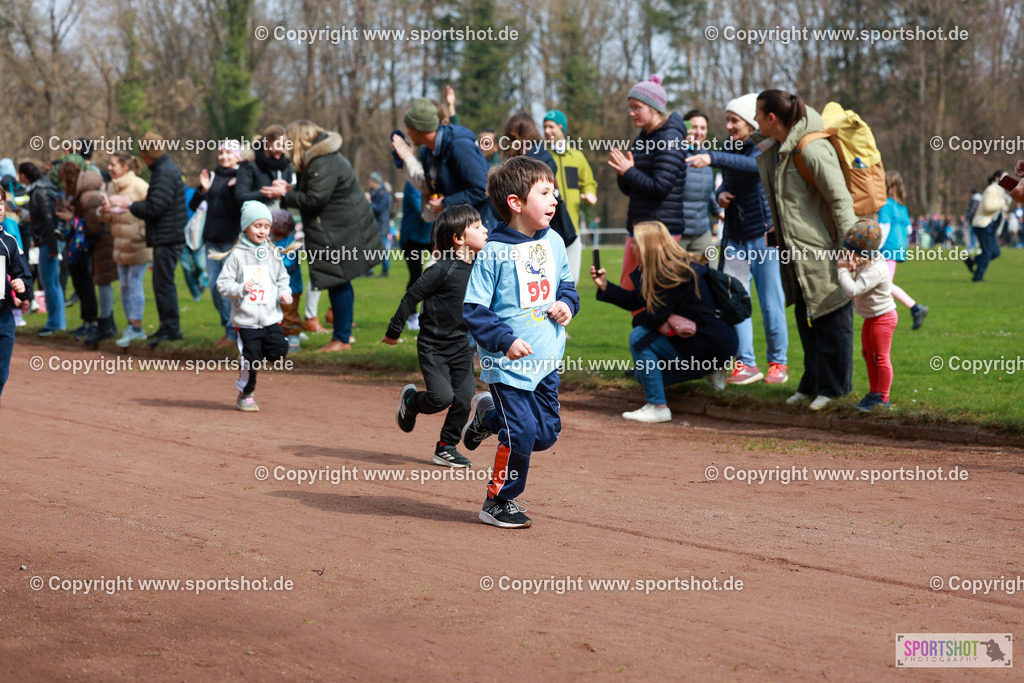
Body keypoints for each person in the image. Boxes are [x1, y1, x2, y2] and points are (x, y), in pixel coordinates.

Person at [460, 156, 580, 529]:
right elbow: (474, 309)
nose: (554, 199)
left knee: (544, 436)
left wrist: (567, 304)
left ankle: (487, 416)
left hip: (546, 361)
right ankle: (498, 501)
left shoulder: (555, 240)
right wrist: (505, 340)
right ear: (516, 203)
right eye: (544, 193)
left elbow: (566, 284)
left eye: (553, 192)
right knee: (521, 434)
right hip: (508, 364)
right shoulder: (493, 252)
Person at [754, 89, 857, 411]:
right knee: (807, 317)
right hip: (796, 255)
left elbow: (840, 199)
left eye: (758, 114)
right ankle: (812, 383)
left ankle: (834, 390)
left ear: (772, 118)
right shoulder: (779, 149)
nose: (754, 120)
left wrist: (850, 247)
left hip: (824, 252)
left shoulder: (812, 148)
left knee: (832, 317)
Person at [687, 94, 788, 386]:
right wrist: (721, 195)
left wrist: (712, 158)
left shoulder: (765, 146)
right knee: (736, 301)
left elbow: (752, 166)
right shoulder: (729, 148)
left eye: (735, 121)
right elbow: (729, 181)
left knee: (771, 302)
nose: (729, 126)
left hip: (764, 237)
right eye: (727, 120)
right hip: (736, 238)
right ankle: (746, 364)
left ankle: (778, 363)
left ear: (749, 122)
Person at [592, 221, 737, 422]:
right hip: (714, 340)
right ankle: (709, 369)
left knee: (639, 337)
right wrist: (605, 286)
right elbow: (637, 301)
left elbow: (652, 319)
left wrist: (656, 319)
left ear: (647, 246)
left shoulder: (671, 273)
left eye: (635, 242)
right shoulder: (670, 267)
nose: (631, 246)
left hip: (710, 341)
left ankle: (658, 407)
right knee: (642, 375)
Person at [385, 205, 488, 468]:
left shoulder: (480, 268)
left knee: (464, 398)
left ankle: (446, 447)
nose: (485, 230)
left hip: (460, 346)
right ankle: (411, 401)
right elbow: (411, 297)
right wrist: (394, 330)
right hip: (433, 346)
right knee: (441, 398)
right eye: (477, 226)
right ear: (459, 238)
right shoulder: (441, 269)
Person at [275, 120, 381, 352]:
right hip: (339, 228)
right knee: (340, 281)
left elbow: (315, 200)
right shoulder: (324, 159)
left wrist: (284, 194)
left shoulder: (322, 162)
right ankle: (344, 335)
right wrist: (291, 191)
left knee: (338, 282)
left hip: (338, 231)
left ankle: (341, 339)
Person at [107, 132, 188, 347]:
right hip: (167, 235)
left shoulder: (163, 173)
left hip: (167, 237)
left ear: (147, 155)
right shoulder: (165, 169)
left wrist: (129, 204)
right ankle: (167, 327)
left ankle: (171, 329)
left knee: (164, 285)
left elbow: (155, 208)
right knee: (162, 284)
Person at [609, 75, 688, 287]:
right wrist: (624, 173)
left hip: (661, 231)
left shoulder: (670, 138)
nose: (631, 113)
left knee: (655, 294)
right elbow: (631, 189)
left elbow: (661, 187)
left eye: (637, 107)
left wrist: (629, 171)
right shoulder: (642, 138)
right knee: (629, 289)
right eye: (630, 107)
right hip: (639, 227)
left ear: (654, 108)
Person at [214, 201, 291, 412]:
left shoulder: (273, 253)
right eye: (257, 226)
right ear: (246, 227)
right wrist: (240, 288)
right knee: (251, 360)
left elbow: (283, 278)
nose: (262, 231)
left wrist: (284, 293)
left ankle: (256, 353)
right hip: (246, 321)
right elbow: (223, 284)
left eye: (266, 226)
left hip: (270, 317)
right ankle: (246, 394)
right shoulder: (236, 255)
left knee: (279, 351)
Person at [391, 97, 493, 227]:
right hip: (457, 225)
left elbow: (481, 189)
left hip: (480, 227)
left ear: (418, 129)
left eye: (409, 128)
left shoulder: (459, 145)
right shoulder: (428, 152)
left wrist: (445, 204)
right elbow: (430, 188)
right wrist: (406, 159)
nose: (408, 133)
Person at [837, 220, 897, 412]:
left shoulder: (876, 269)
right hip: (871, 317)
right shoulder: (867, 262)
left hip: (883, 318)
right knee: (868, 355)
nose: (847, 254)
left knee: (881, 357)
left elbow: (853, 290)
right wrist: (852, 266)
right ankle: (874, 393)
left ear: (862, 253)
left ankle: (883, 398)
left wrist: (842, 270)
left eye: (850, 251)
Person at [191, 141, 242, 349]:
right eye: (221, 152)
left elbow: (236, 210)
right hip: (211, 240)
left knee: (228, 289)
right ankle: (228, 327)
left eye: (229, 152)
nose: (224, 156)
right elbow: (193, 205)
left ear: (237, 156)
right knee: (214, 288)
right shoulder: (212, 176)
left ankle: (234, 333)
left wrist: (232, 190)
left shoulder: (241, 177)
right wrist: (203, 190)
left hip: (231, 241)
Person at [101, 151, 152, 347]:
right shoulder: (111, 187)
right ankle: (131, 325)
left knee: (134, 283)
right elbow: (109, 218)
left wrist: (142, 234)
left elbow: (151, 212)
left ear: (125, 167)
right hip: (120, 245)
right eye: (109, 164)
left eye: (113, 164)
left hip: (137, 245)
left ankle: (137, 328)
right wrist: (103, 212)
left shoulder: (140, 186)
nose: (109, 168)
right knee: (123, 285)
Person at [543, 109, 598, 282]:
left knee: (572, 279)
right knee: (549, 280)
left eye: (551, 126)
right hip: (548, 229)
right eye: (544, 127)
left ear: (561, 127)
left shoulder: (577, 157)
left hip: (572, 228)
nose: (547, 131)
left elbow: (588, 182)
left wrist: (590, 194)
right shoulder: (542, 157)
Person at [74, 170, 119, 349]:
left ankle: (106, 323)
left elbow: (93, 228)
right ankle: (108, 323)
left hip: (102, 245)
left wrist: (80, 229)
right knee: (103, 282)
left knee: (103, 281)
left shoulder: (88, 197)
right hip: (105, 243)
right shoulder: (95, 194)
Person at [877, 171, 928, 329]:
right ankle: (912, 309)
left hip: (886, 248)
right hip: (898, 248)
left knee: (884, 284)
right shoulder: (902, 207)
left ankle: (915, 308)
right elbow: (908, 229)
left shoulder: (886, 205)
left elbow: (884, 227)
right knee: (883, 284)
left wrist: (874, 248)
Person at [18, 162, 64, 335]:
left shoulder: (39, 192)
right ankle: (58, 323)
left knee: (49, 282)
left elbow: (49, 220)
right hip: (47, 241)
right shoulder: (40, 189)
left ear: (24, 175)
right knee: (53, 282)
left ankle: (54, 323)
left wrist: (52, 247)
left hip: (47, 241)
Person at [0, 185, 33, 407]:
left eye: (1, 203)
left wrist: (22, 285)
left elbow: (25, 276)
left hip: (3, 319)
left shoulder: (9, 242)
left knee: (1, 374)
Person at [680, 109, 722, 251]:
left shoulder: (707, 157)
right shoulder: (674, 153)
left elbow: (708, 191)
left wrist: (718, 212)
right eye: (694, 127)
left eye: (703, 128)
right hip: (677, 232)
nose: (699, 132)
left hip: (702, 231)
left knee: (712, 265)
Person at [398, 181, 433, 331]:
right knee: (415, 277)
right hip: (411, 237)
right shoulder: (412, 184)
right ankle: (412, 315)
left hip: (430, 235)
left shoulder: (434, 181)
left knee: (447, 272)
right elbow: (420, 208)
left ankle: (437, 313)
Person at [965, 170, 1011, 282]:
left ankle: (971, 260)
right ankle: (978, 277)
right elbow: (988, 206)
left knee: (995, 252)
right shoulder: (991, 190)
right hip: (982, 224)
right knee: (987, 252)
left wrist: (1006, 202)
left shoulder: (1000, 191)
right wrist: (1002, 203)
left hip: (989, 225)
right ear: (997, 178)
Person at [269, 209, 304, 352]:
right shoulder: (274, 243)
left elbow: (288, 264)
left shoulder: (289, 244)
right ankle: (282, 337)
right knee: (278, 314)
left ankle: (293, 337)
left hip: (291, 288)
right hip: (277, 288)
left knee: (289, 314)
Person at [367, 172, 392, 277]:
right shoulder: (372, 192)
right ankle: (370, 271)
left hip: (382, 226)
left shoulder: (383, 194)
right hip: (372, 225)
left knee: (383, 250)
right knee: (370, 248)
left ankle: (385, 270)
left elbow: (379, 209)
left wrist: (369, 202)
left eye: (370, 180)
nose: (368, 181)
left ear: (375, 181)